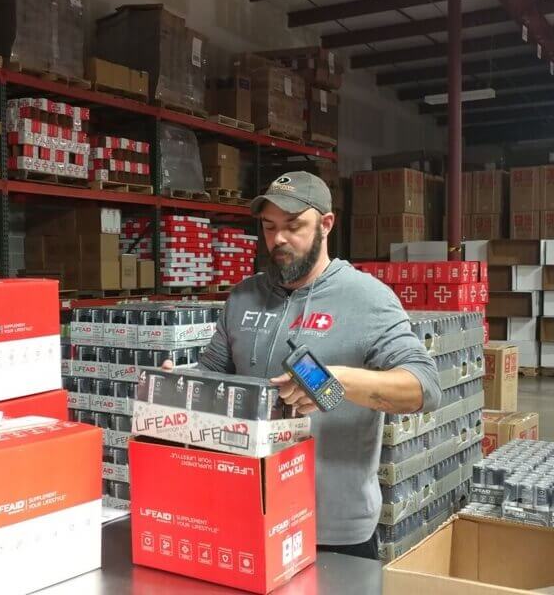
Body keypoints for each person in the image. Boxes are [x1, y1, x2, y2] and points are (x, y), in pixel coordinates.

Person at [164, 171, 442, 560]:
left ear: (326, 224)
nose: (279, 239)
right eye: (269, 227)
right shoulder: (243, 297)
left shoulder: (368, 299)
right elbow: (212, 374)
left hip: (332, 526)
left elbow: (424, 388)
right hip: (244, 510)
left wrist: (339, 380)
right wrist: (176, 384)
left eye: (294, 226)